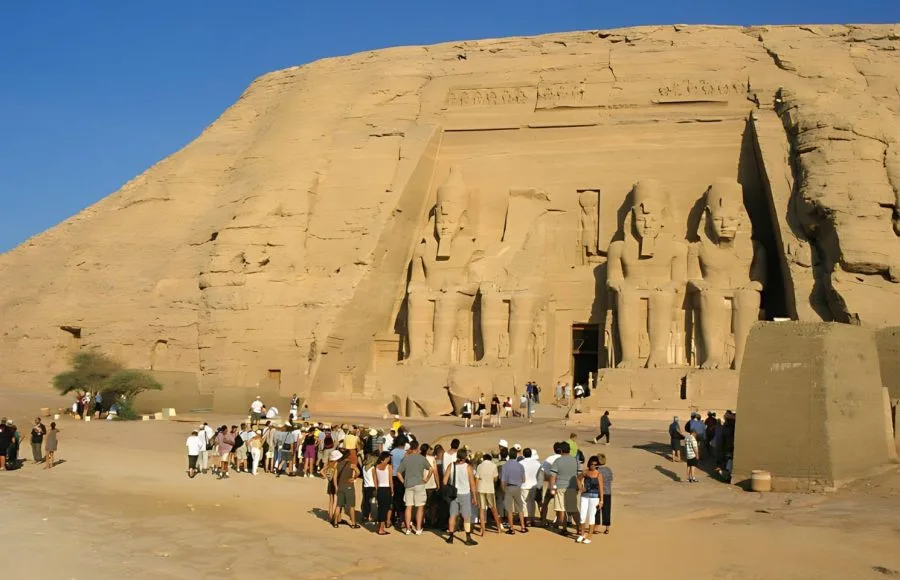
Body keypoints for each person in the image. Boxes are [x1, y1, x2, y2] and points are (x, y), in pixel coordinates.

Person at [397, 440, 432, 535]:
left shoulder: (406, 459)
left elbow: (398, 472)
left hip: (408, 484)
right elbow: (431, 469)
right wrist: (426, 479)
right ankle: (418, 528)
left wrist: (403, 481)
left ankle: (408, 528)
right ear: (417, 448)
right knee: (420, 507)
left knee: (408, 507)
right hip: (419, 484)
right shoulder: (421, 458)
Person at [444, 449, 478, 546]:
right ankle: (468, 538)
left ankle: (450, 537)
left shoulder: (451, 465)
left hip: (453, 494)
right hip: (465, 493)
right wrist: (474, 496)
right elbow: (472, 483)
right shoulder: (468, 467)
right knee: (466, 516)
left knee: (452, 515)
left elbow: (444, 480)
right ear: (465, 457)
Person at [549, 441, 580, 537]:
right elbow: (579, 476)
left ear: (561, 450)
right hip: (572, 487)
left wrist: (552, 488)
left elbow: (553, 476)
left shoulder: (557, 461)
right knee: (573, 509)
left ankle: (564, 528)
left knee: (561, 509)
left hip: (560, 487)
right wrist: (579, 487)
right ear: (569, 450)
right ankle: (579, 528)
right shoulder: (576, 461)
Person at [575, 455, 604, 544]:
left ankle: (589, 536)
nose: (593, 466)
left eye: (595, 464)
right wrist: (580, 488)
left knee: (591, 516)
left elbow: (601, 488)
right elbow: (578, 479)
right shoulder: (585, 472)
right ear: (589, 464)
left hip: (594, 496)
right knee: (582, 515)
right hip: (584, 495)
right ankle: (582, 534)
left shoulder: (599, 474)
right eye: (592, 464)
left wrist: (601, 500)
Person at [475, 453, 502, 536]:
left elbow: (477, 479)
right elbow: (495, 478)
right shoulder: (494, 466)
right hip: (490, 489)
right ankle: (498, 528)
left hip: (481, 488)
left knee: (482, 509)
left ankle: (482, 530)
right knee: (494, 509)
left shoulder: (479, 466)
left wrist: (475, 491)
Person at [500, 451, 528, 534]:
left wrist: (503, 489)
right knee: (520, 507)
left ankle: (511, 528)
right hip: (517, 487)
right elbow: (523, 479)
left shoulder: (505, 466)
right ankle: (523, 527)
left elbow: (502, 480)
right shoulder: (520, 465)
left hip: (509, 487)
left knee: (509, 509)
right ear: (516, 456)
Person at [333, 450, 360, 528]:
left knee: (338, 505)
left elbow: (335, 477)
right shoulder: (351, 464)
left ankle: (335, 523)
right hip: (349, 486)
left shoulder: (337, 464)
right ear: (348, 456)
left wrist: (336, 487)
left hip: (340, 486)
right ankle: (353, 523)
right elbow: (358, 472)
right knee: (351, 506)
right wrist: (354, 478)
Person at [539, 442, 562, 524]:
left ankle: (544, 520)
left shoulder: (549, 459)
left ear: (554, 449)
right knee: (559, 505)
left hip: (551, 486)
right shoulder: (564, 458)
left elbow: (543, 472)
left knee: (545, 503)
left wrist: (547, 479)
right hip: (560, 486)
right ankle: (558, 522)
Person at [520, 448, 542, 527]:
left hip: (524, 485)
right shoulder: (537, 463)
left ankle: (527, 520)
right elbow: (540, 475)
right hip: (534, 485)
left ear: (523, 454)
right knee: (532, 503)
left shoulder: (521, 463)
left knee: (524, 503)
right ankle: (531, 519)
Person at [374, 451, 394, 535]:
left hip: (380, 489)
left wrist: (376, 488)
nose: (389, 459)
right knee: (385, 509)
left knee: (380, 508)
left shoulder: (376, 467)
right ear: (385, 458)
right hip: (386, 489)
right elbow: (390, 480)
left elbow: (375, 480)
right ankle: (381, 528)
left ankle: (379, 527)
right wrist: (392, 490)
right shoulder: (389, 467)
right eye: (388, 457)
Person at [422, 444, 440, 528]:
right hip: (431, 484)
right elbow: (435, 472)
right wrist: (438, 484)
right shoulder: (432, 459)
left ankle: (423, 520)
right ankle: (432, 521)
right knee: (432, 505)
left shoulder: (420, 458)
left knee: (423, 504)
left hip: (421, 484)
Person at [321, 449, 340, 524]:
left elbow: (322, 471)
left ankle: (330, 517)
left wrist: (326, 477)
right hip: (335, 483)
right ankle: (335, 517)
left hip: (330, 482)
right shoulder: (337, 464)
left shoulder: (329, 464)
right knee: (336, 501)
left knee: (331, 501)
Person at [597, 453, 613, 534]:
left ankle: (596, 527)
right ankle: (607, 528)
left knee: (597, 510)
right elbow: (611, 479)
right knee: (607, 510)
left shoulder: (597, 470)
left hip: (598, 492)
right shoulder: (608, 469)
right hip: (607, 492)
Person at [361, 453, 378, 524]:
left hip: (366, 487)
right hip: (372, 487)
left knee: (366, 502)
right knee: (376, 502)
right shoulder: (372, 468)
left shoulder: (364, 467)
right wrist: (377, 488)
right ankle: (370, 517)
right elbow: (374, 479)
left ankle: (366, 516)